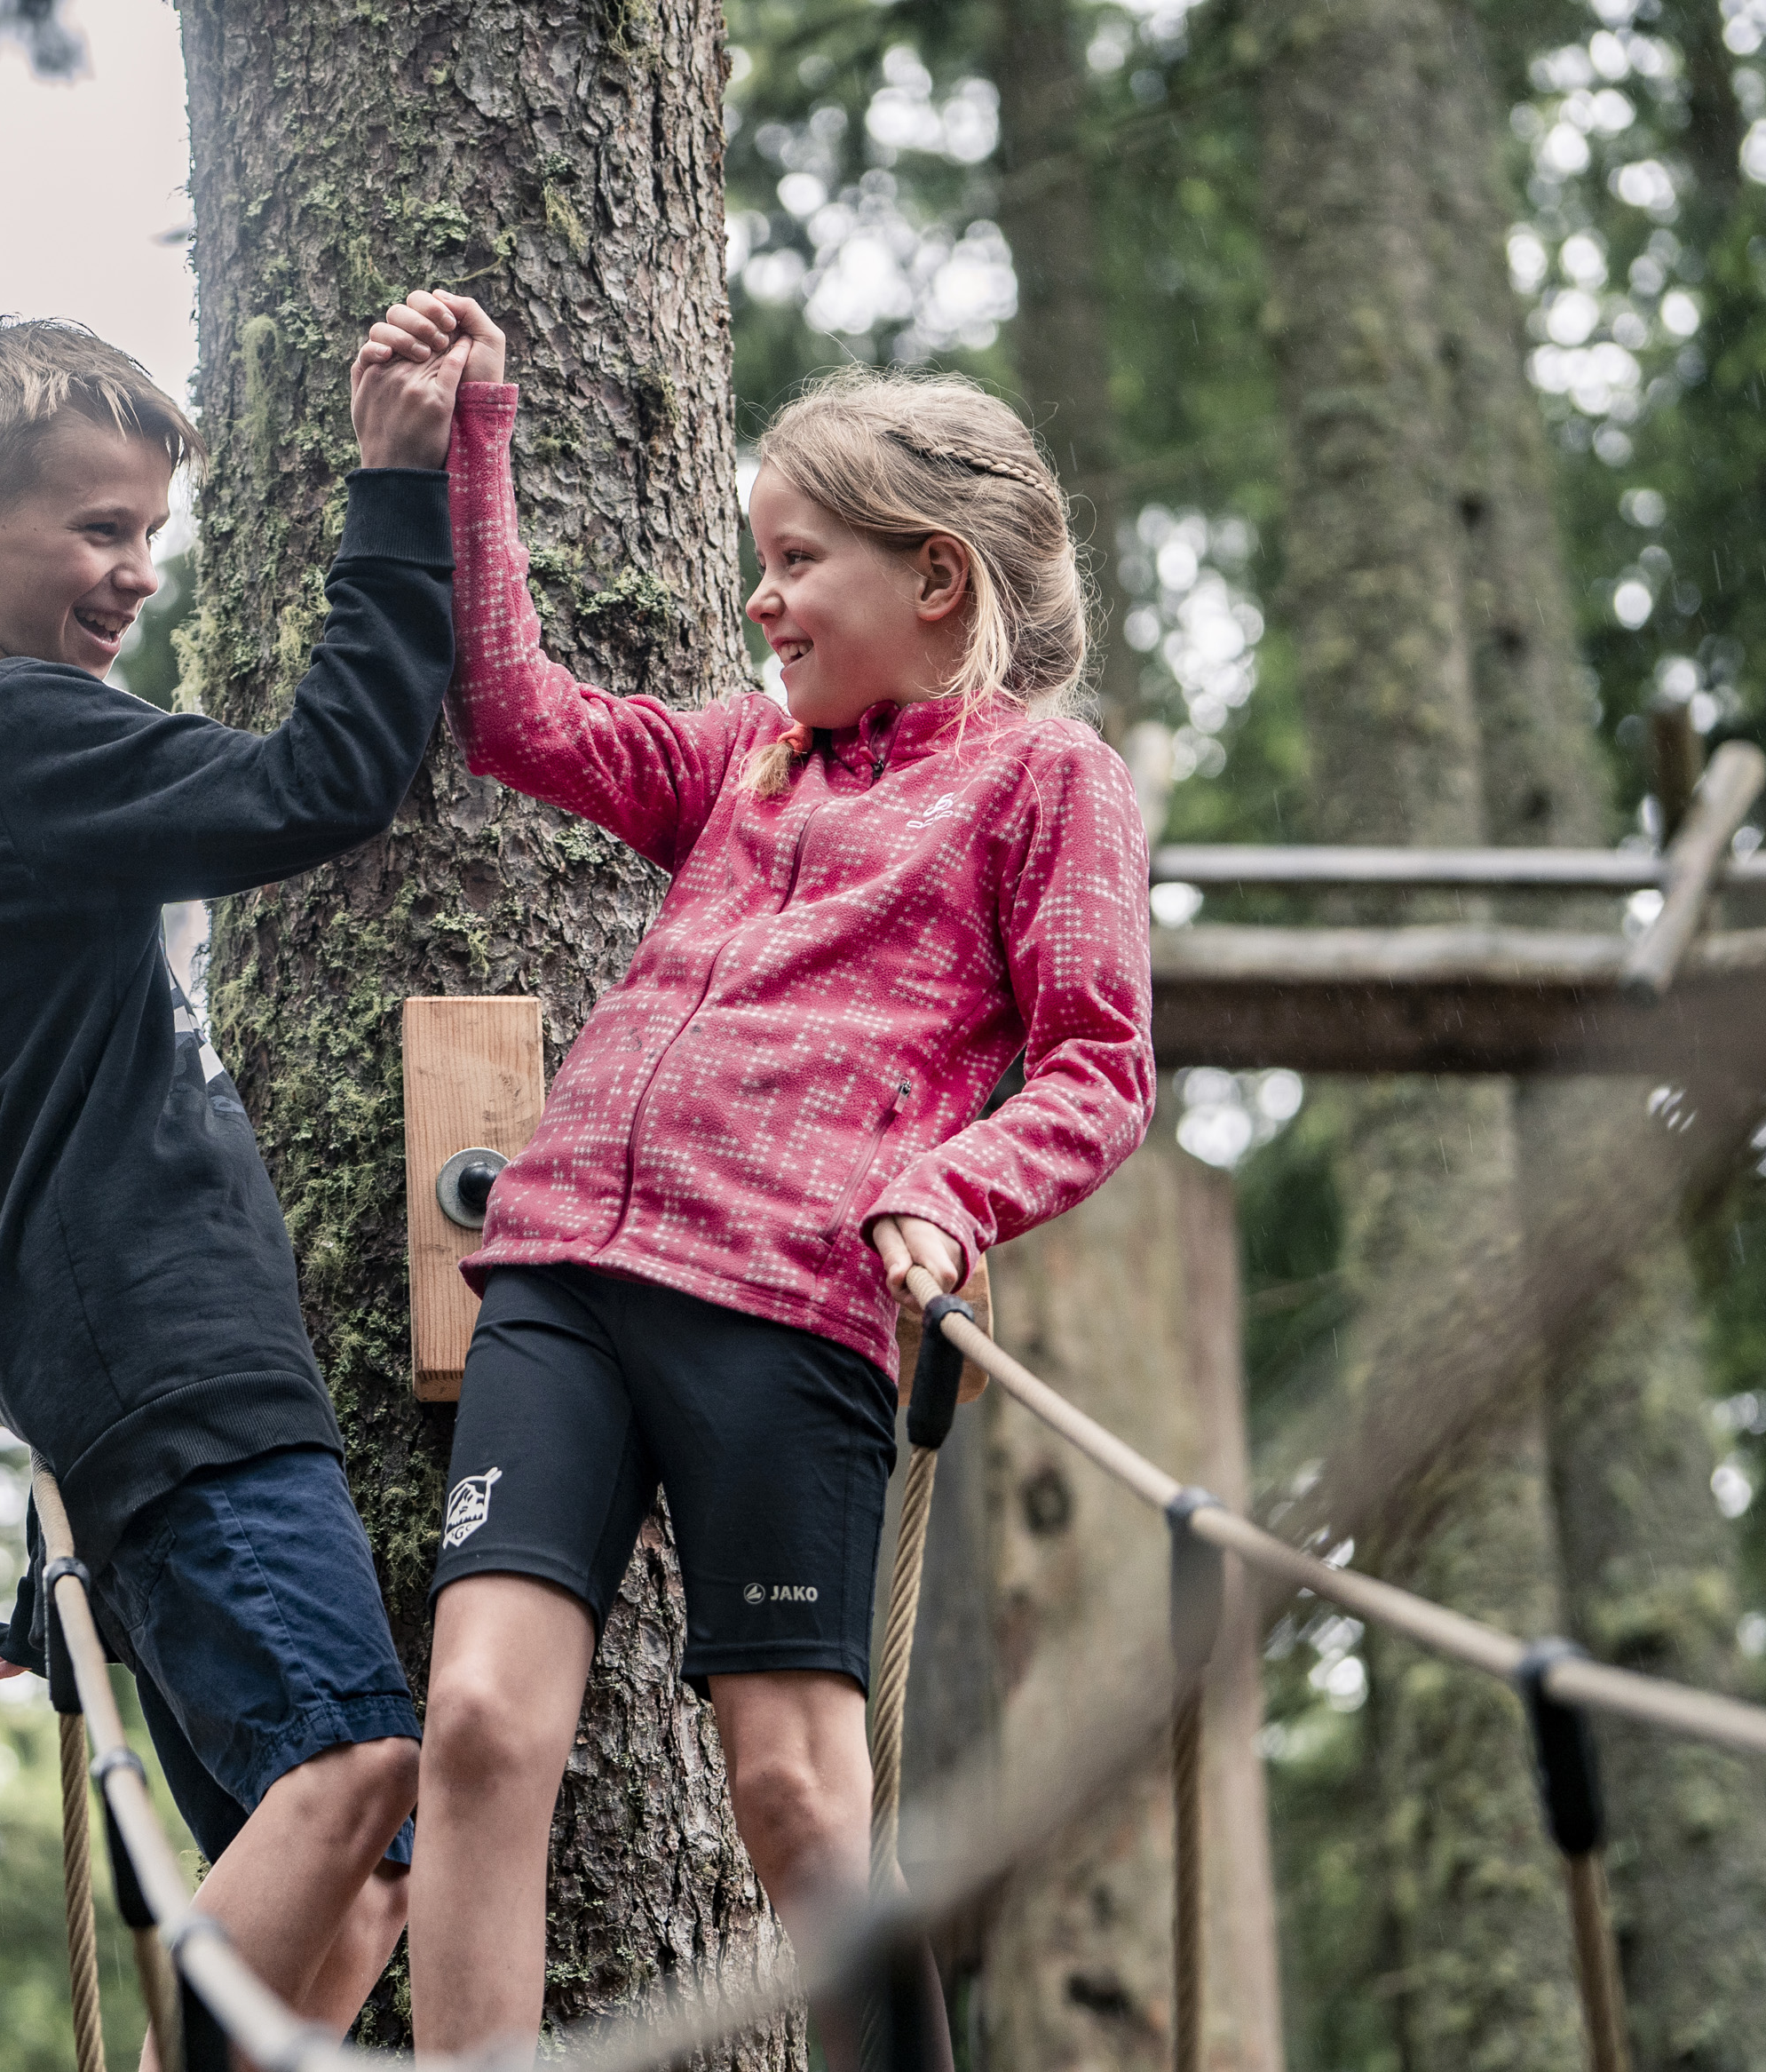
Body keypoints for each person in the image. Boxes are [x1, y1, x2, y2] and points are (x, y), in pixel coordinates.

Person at [360, 293, 1157, 2056]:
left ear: (934, 579)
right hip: (563, 1276)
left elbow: (1101, 1070)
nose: (762, 598)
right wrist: (468, 446)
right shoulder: (745, 758)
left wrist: (955, 1186)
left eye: (797, 561)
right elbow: (513, 715)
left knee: (798, 1798)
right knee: (482, 1722)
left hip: (787, 1310)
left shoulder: (1044, 782)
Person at [0, 313, 471, 2040]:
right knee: (357, 1767)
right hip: (169, 1367)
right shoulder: (7, 736)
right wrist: (397, 486)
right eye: (99, 531)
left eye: (150, 535)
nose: (136, 575)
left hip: (138, 1375)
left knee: (369, 1855)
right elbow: (325, 783)